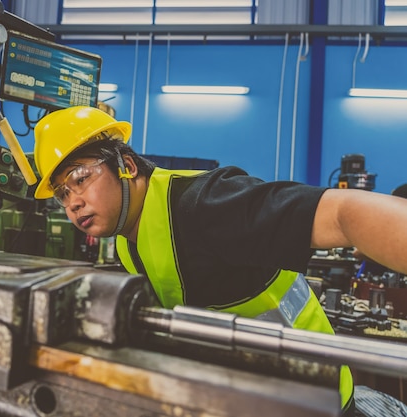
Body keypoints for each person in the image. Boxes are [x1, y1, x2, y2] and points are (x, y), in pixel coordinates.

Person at [32, 105, 407, 416]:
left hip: (313, 398)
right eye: (62, 194)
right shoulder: (127, 239)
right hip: (247, 399)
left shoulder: (206, 204)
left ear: (127, 166)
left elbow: (345, 212)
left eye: (80, 178)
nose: (72, 203)